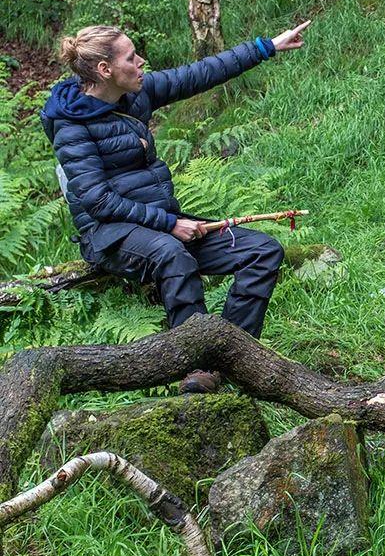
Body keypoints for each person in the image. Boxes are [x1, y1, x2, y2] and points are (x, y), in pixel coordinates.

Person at [42, 21, 310, 393]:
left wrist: (266, 47)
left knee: (262, 251)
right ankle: (195, 367)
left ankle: (232, 356)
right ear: (105, 70)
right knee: (173, 254)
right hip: (109, 233)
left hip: (161, 222)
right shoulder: (71, 127)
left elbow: (200, 73)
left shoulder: (134, 94)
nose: (142, 62)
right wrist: (169, 224)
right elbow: (96, 199)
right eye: (132, 58)